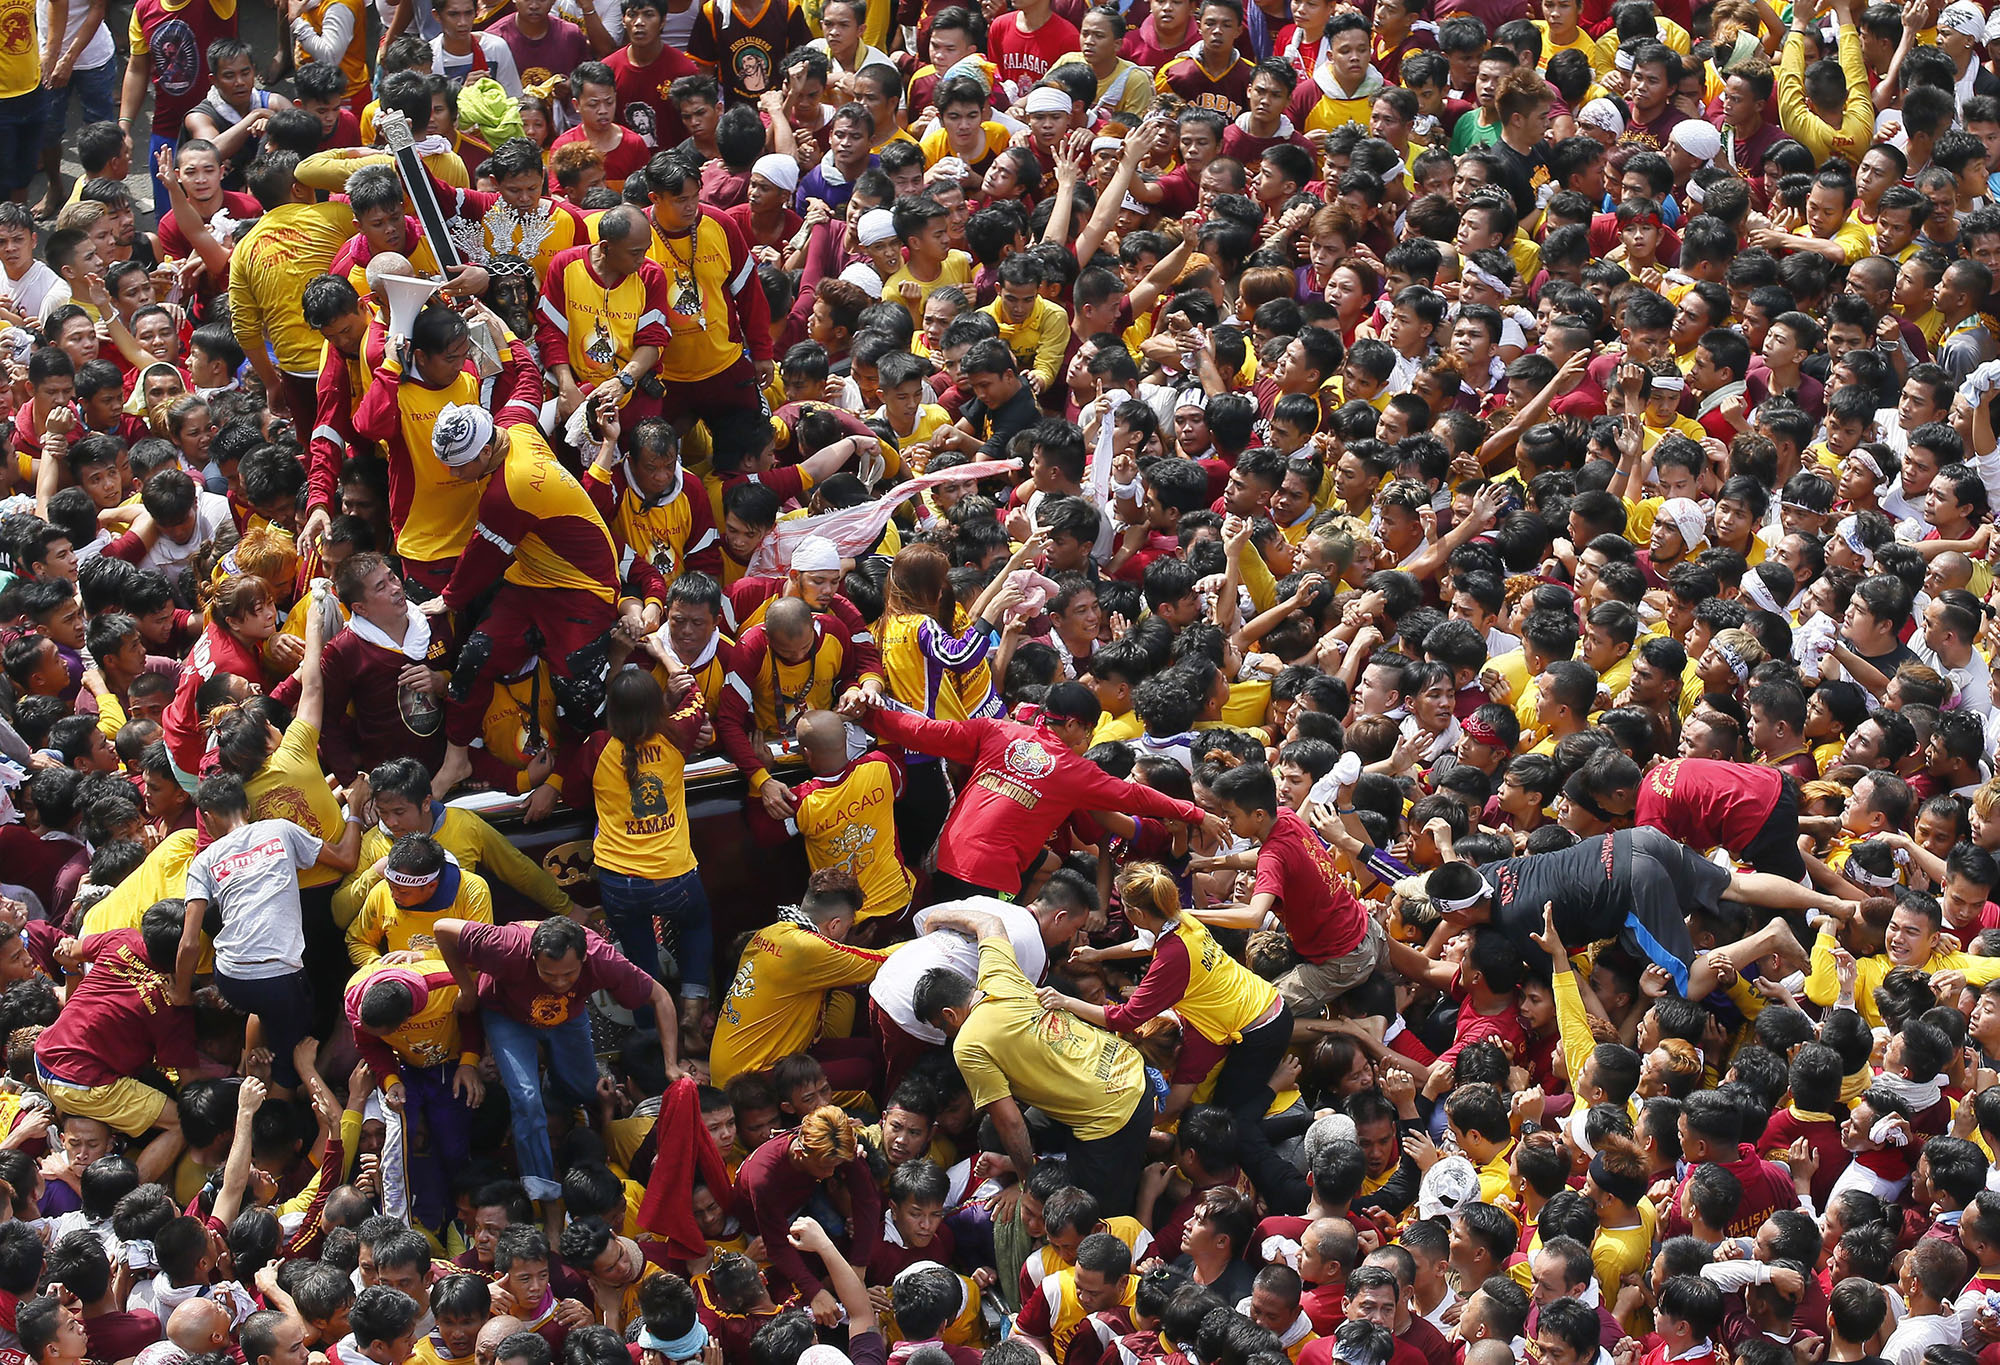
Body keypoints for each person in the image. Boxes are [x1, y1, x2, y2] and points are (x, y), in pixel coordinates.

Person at [912, 901, 1155, 1218]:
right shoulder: (999, 976)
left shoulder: (968, 1044)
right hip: (1131, 1068)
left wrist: (1029, 1185)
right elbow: (989, 922)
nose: (947, 1035)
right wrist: (937, 917)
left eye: (942, 1027)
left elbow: (1010, 1121)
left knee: (1091, 1217)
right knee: (999, 1131)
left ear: (948, 1014)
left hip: (1111, 1118)